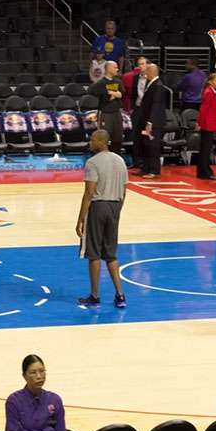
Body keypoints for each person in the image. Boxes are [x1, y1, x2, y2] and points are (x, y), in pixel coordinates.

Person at [76, 129, 128, 308]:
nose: (90, 143)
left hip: (98, 207)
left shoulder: (92, 162)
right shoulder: (120, 160)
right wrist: (118, 210)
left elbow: (89, 192)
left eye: (92, 140)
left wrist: (80, 218)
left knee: (94, 254)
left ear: (100, 141)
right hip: (115, 206)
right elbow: (124, 190)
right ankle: (120, 296)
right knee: (111, 254)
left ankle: (95, 296)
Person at [5, 355, 66, 431]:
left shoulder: (55, 400)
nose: (39, 376)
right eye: (33, 372)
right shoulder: (14, 401)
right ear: (24, 376)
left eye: (42, 371)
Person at [137, 63, 167, 179]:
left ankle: (154, 170)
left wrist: (150, 122)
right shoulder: (152, 84)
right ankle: (146, 168)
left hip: (154, 122)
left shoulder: (158, 85)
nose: (145, 72)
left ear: (152, 72)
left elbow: (156, 105)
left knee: (153, 145)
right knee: (146, 144)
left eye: (147, 70)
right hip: (147, 120)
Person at [90, 61, 124, 154]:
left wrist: (114, 93)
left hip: (116, 113)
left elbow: (121, 94)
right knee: (103, 138)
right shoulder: (101, 83)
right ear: (108, 68)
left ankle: (116, 158)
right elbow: (91, 90)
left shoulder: (118, 81)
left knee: (118, 137)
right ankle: (102, 158)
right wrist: (109, 93)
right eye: (115, 67)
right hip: (105, 113)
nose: (117, 69)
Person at [196, 73, 216, 180]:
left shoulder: (212, 92)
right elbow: (203, 110)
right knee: (205, 149)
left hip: (210, 124)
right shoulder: (209, 93)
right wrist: (199, 123)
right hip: (207, 125)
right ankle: (204, 172)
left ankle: (204, 171)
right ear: (210, 81)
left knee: (206, 149)